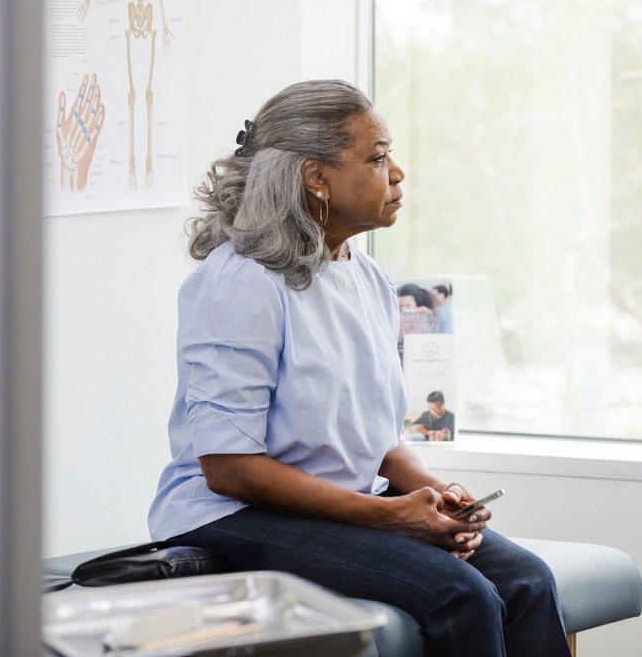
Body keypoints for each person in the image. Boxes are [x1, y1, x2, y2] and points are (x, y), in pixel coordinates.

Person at [148, 80, 570, 657]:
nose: (397, 173)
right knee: (459, 593)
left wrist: (436, 497)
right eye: (377, 158)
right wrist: (389, 516)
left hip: (337, 503)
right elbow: (228, 467)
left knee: (527, 579)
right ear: (315, 177)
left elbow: (377, 442)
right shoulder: (241, 283)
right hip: (229, 515)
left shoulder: (369, 278)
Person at [397, 282, 439, 364]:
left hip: (421, 359)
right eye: (400, 306)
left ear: (418, 304)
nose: (404, 309)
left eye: (408, 305)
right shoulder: (395, 318)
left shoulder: (427, 317)